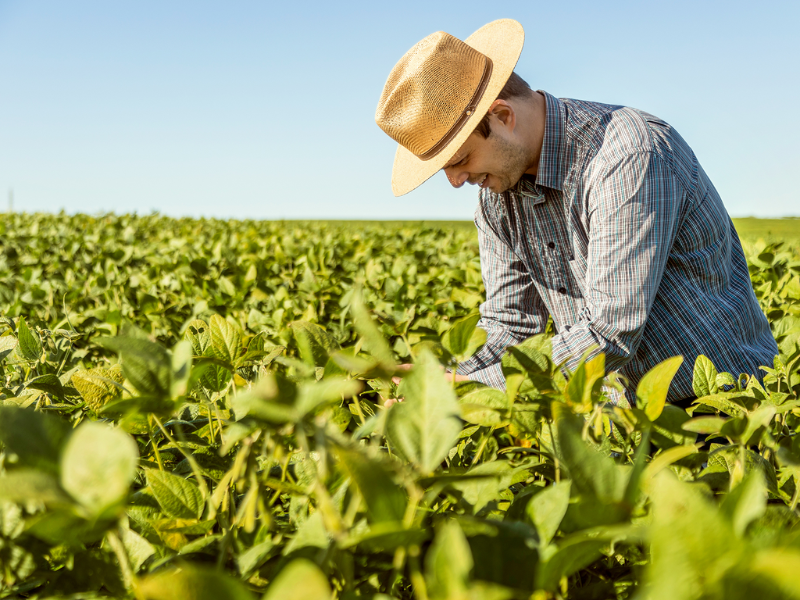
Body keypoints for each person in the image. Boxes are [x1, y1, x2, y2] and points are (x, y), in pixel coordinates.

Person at [375, 19, 778, 404]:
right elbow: (510, 324)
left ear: (501, 117)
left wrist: (466, 391)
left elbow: (609, 331)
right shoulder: (497, 197)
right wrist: (437, 379)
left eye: (460, 159)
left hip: (724, 405)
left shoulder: (627, 157)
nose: (456, 181)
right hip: (615, 418)